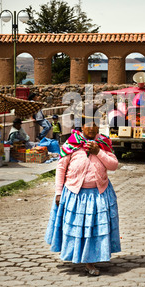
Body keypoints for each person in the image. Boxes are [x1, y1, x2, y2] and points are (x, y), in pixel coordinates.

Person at [45, 106, 121, 276]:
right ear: (81, 125)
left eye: (95, 124)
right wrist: (58, 192)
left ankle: (90, 260)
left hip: (99, 194)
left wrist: (98, 152)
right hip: (75, 195)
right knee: (78, 229)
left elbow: (113, 165)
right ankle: (81, 257)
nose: (91, 127)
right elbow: (61, 168)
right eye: (87, 123)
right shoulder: (71, 144)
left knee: (93, 230)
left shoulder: (103, 143)